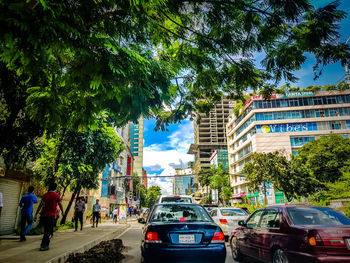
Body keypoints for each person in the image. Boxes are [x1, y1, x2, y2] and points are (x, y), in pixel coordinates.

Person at [34, 182, 64, 251]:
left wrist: (36, 214)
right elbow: (60, 204)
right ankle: (44, 245)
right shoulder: (56, 195)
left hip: (44, 215)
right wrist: (63, 212)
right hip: (51, 216)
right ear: (55, 188)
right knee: (48, 231)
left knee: (46, 230)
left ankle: (45, 244)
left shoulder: (45, 195)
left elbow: (40, 205)